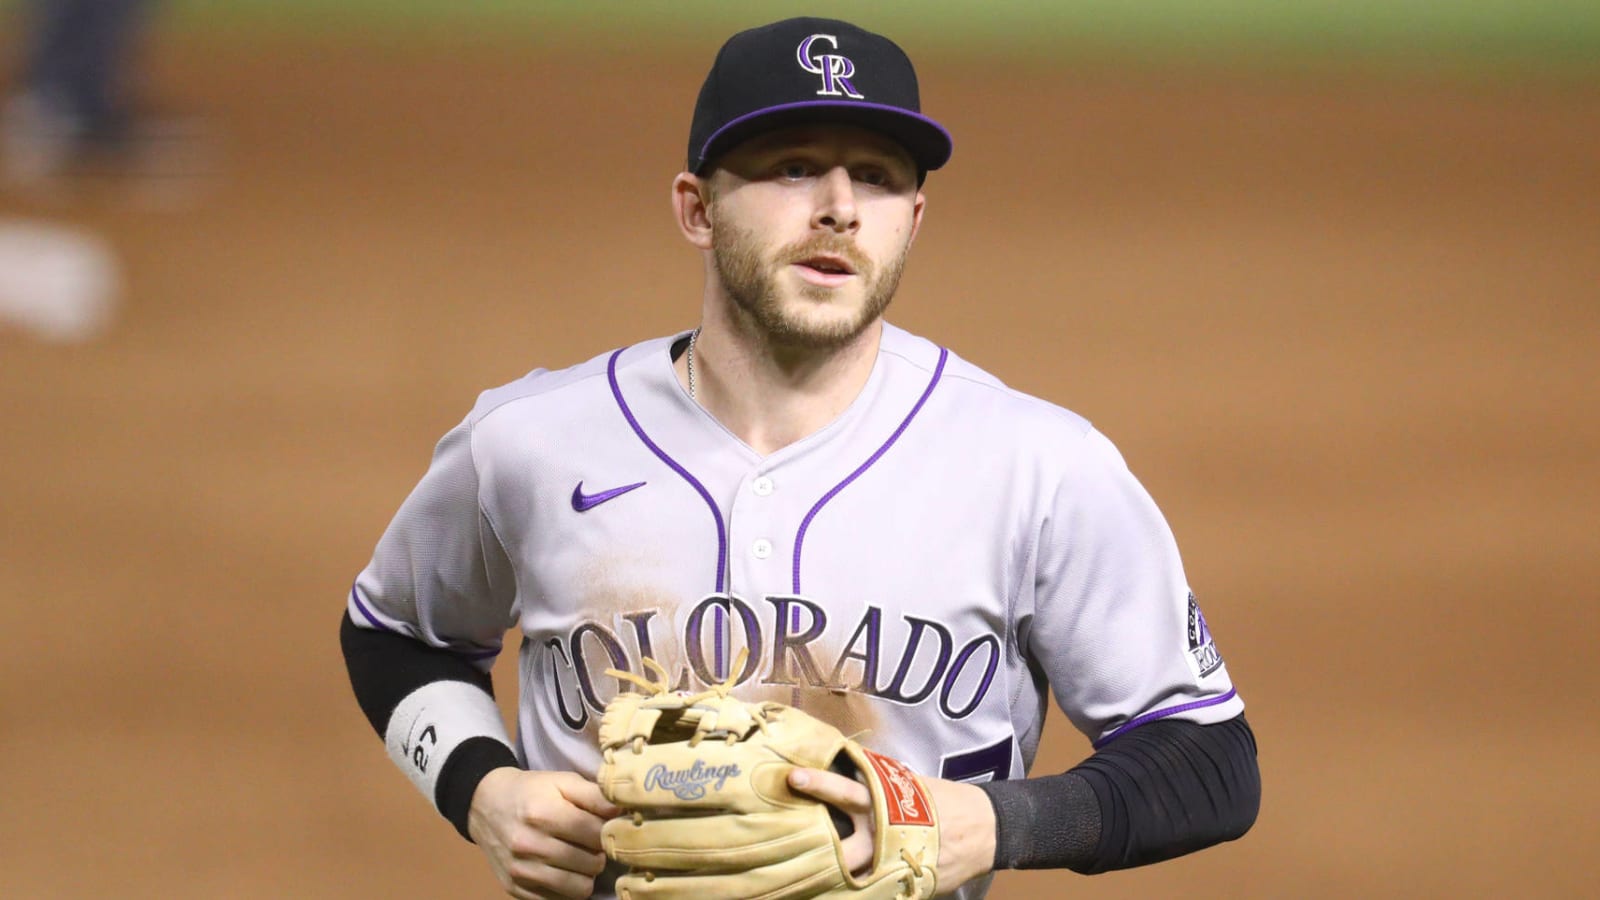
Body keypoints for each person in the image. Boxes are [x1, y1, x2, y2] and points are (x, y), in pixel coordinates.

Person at [341, 16, 1260, 900]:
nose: (839, 210)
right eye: (792, 169)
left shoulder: (1039, 467)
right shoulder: (530, 440)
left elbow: (1208, 758)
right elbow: (396, 635)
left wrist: (992, 824)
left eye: (876, 177)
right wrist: (481, 789)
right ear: (696, 210)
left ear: (915, 217)